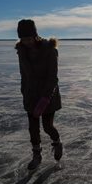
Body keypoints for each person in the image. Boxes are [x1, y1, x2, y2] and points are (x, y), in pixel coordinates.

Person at [15, 19, 63, 170]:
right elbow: (23, 74)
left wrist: (45, 99)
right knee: (33, 128)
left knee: (48, 127)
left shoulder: (49, 50)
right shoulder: (21, 51)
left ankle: (57, 143)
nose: (26, 42)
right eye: (23, 39)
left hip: (48, 95)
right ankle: (37, 155)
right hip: (30, 95)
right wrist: (24, 91)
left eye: (29, 38)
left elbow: (53, 78)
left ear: (35, 36)